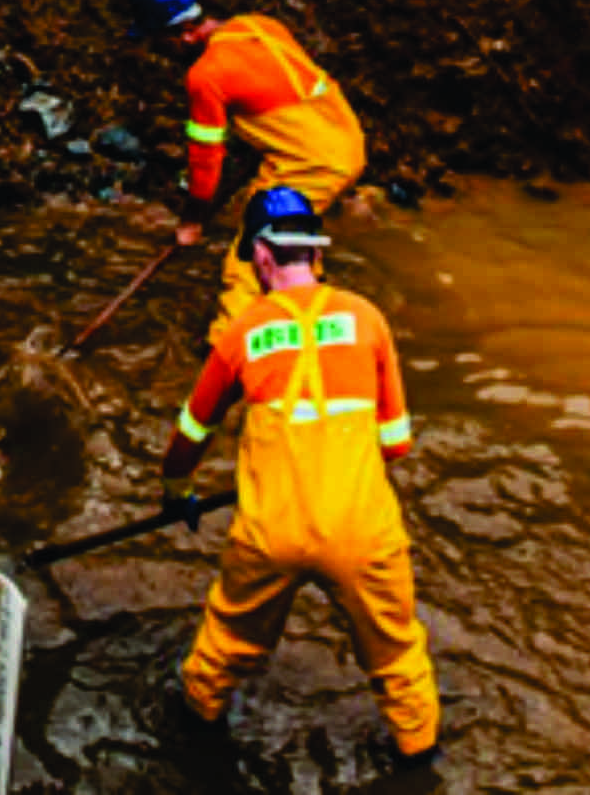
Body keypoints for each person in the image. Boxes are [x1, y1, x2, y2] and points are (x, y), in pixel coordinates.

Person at [161, 189, 441, 771]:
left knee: (222, 648)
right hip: (363, 531)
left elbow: (191, 432)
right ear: (314, 253)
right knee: (398, 661)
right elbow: (395, 443)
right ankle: (420, 765)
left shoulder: (241, 333)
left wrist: (177, 492)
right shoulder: (367, 319)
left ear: (262, 256)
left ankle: (187, 757)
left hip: (272, 531)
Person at [141, 0, 367, 341]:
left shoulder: (206, 76)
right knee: (287, 234)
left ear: (182, 34)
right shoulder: (259, 25)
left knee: (250, 257)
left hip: (314, 162)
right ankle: (308, 314)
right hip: (347, 140)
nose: (163, 53)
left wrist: (191, 223)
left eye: (161, 43)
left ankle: (225, 356)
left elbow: (206, 160)